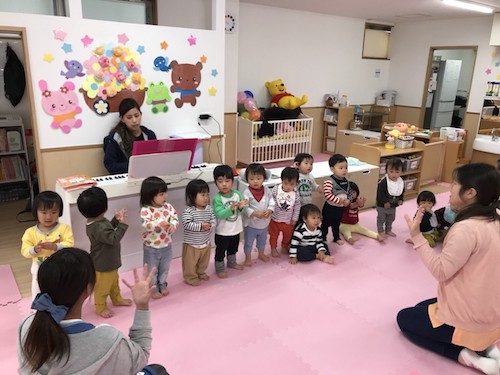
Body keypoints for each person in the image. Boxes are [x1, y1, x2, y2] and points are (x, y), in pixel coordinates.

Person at [397, 163, 500, 375]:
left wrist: (417, 237)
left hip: (470, 320)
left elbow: (441, 271)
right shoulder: (495, 218)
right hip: (493, 316)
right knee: (423, 305)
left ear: (470, 193)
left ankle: (465, 355)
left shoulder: (465, 229)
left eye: (455, 184)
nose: (450, 188)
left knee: (404, 318)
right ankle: (486, 346)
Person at [17, 247, 167, 375]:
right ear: (88, 288)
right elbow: (140, 356)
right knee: (157, 370)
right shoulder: (108, 340)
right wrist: (142, 307)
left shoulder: (27, 327)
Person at [77, 187, 132, 318]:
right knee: (102, 288)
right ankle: (100, 307)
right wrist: (123, 225)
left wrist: (116, 220)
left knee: (114, 283)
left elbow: (108, 230)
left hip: (110, 262)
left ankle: (117, 299)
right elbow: (113, 238)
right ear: (104, 208)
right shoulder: (97, 226)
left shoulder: (98, 221)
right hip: (103, 264)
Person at [21, 191, 74, 298]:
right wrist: (34, 249)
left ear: (60, 212)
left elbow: (70, 244)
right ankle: (38, 309)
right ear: (36, 212)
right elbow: (25, 251)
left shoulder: (64, 228)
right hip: (39, 267)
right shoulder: (30, 232)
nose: (49, 217)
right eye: (44, 213)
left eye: (54, 212)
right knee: (37, 290)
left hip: (60, 267)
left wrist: (56, 246)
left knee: (60, 290)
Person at [140, 176, 178, 298]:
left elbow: (175, 218)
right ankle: (153, 289)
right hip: (151, 247)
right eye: (161, 194)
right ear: (150, 195)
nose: (165, 197)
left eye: (165, 193)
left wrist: (173, 225)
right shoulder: (146, 210)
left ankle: (162, 285)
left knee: (165, 268)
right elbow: (146, 224)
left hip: (167, 245)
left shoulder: (169, 207)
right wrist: (159, 223)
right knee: (152, 270)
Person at [103, 97, 157, 175]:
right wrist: (133, 166)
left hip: (147, 175)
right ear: (122, 119)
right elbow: (110, 165)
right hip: (125, 177)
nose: (134, 120)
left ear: (141, 115)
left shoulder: (149, 135)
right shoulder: (114, 138)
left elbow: (155, 159)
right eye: (129, 117)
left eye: (136, 115)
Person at [212, 164, 247, 278]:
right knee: (220, 252)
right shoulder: (217, 198)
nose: (224, 184)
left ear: (232, 181)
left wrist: (242, 206)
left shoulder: (237, 194)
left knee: (233, 248)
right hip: (222, 232)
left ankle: (232, 263)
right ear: (215, 183)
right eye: (220, 181)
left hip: (236, 229)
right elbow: (219, 214)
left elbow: (241, 211)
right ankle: (220, 268)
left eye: (227, 181)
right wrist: (230, 209)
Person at [182, 179, 216, 286]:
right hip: (192, 244)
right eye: (202, 195)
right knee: (190, 263)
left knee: (203, 261)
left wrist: (211, 225)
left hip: (205, 242)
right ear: (192, 196)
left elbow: (214, 219)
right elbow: (186, 224)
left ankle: (200, 272)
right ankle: (190, 277)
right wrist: (200, 226)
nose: (206, 198)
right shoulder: (189, 211)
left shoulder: (209, 209)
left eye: (207, 195)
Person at [241, 163, 275, 265]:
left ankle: (261, 253)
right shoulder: (246, 192)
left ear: (264, 178)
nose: (255, 181)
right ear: (247, 179)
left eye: (258, 178)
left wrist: (269, 210)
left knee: (262, 241)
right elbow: (244, 207)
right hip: (251, 224)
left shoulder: (267, 190)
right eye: (251, 179)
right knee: (248, 242)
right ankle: (248, 257)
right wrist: (254, 213)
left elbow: (272, 201)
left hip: (264, 224)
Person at [269, 166, 301, 257]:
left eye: (291, 184)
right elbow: (271, 201)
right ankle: (273, 248)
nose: (288, 187)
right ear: (281, 180)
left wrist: (295, 218)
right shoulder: (276, 189)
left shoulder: (295, 193)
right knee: (273, 235)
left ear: (296, 184)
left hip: (288, 221)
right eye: (285, 183)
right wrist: (269, 212)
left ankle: (284, 246)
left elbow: (297, 206)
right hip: (275, 219)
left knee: (287, 236)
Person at [321, 154, 351, 245]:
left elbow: (349, 192)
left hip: (340, 208)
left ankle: (336, 237)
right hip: (330, 208)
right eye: (341, 168)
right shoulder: (329, 181)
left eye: (345, 168)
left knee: (336, 224)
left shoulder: (346, 181)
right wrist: (339, 201)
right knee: (325, 224)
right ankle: (323, 238)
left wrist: (348, 200)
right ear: (332, 169)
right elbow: (327, 194)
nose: (344, 170)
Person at [376, 157, 404, 239]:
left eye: (397, 172)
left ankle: (388, 230)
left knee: (391, 218)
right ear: (386, 170)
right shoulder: (384, 182)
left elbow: (401, 191)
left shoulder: (400, 182)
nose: (394, 174)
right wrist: (385, 202)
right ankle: (381, 231)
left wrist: (401, 199)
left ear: (401, 172)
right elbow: (380, 194)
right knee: (381, 218)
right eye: (391, 171)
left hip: (393, 205)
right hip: (382, 205)